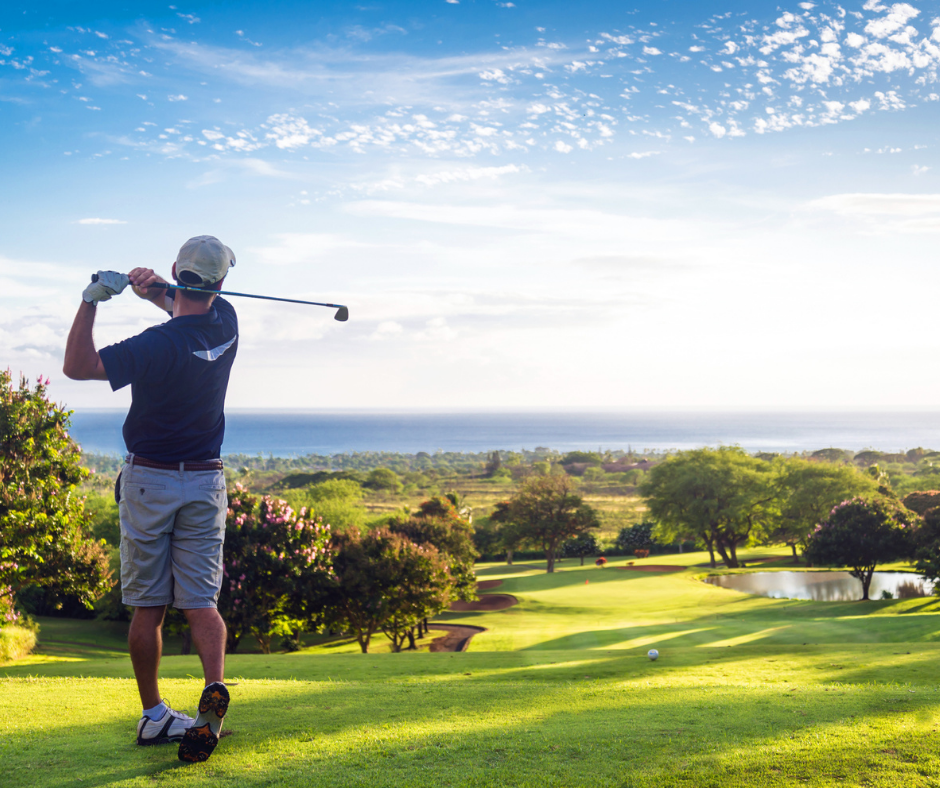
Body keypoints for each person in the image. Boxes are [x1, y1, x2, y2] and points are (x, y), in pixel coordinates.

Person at [63, 235, 239, 763]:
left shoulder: (153, 346)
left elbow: (78, 366)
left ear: (175, 271)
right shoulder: (228, 321)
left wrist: (93, 298)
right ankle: (213, 692)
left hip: (150, 481)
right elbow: (184, 305)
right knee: (201, 603)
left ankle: (154, 716)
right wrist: (154, 293)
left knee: (149, 606)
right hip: (205, 481)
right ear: (222, 283)